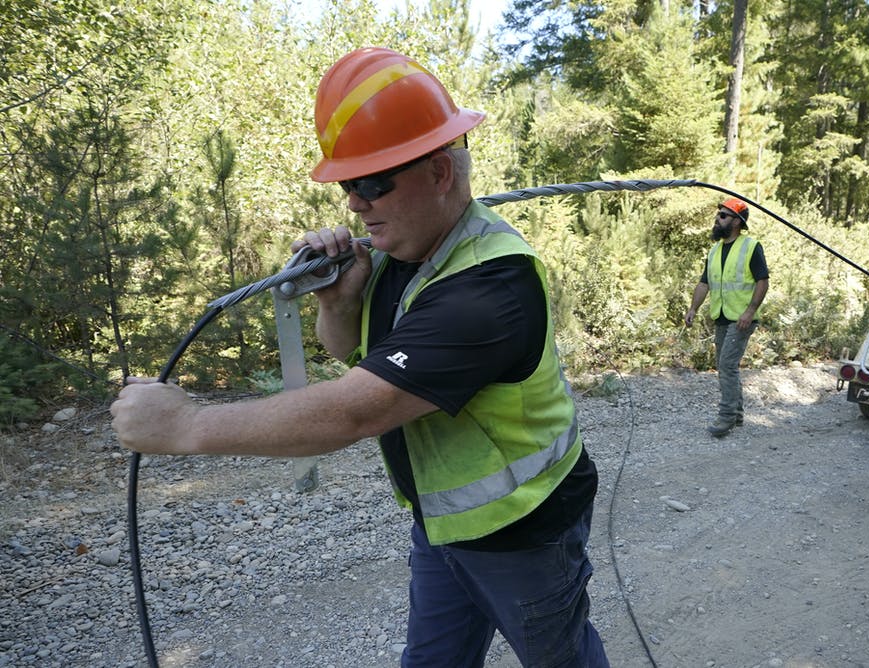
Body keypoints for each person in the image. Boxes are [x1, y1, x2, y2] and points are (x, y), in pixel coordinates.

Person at [111, 47, 609, 668]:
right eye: (350, 184)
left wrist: (186, 427)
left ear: (440, 173)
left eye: (374, 182)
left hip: (525, 533)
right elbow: (350, 352)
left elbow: (355, 412)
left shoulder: (490, 289)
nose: (355, 203)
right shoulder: (406, 250)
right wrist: (341, 302)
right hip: (442, 525)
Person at [683, 198, 770, 437]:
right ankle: (738, 414)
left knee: (727, 365)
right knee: (726, 367)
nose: (717, 219)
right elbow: (704, 283)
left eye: (723, 215)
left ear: (736, 222)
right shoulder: (714, 251)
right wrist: (693, 308)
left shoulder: (751, 246)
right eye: (718, 215)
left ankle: (726, 417)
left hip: (741, 318)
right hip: (721, 315)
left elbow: (763, 281)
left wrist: (750, 311)